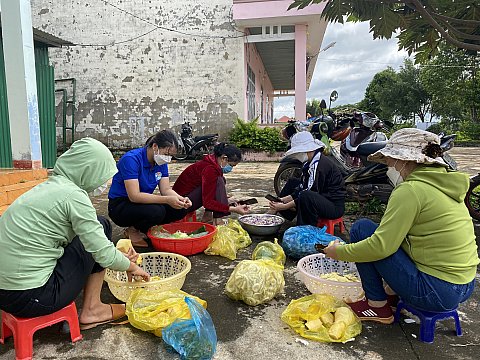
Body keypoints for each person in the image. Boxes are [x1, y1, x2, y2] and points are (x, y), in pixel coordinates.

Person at [324, 128, 479, 324]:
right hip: (464, 286)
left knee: (361, 229)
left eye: (389, 162)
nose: (388, 167)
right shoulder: (444, 185)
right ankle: (390, 295)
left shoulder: (410, 190)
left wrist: (339, 252)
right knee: (378, 233)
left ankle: (377, 306)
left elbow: (381, 247)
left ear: (404, 160)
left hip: (437, 292)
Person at [0, 138, 150, 330]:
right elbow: (100, 251)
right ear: (89, 171)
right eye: (102, 176)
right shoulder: (74, 197)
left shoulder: (50, 187)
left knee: (95, 232)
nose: (104, 184)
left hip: (5, 293)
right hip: (31, 297)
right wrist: (132, 267)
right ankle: (92, 309)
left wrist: (116, 256)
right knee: (101, 227)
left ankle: (91, 305)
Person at [108, 130, 192, 247]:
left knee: (180, 209)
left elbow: (166, 190)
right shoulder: (131, 159)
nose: (168, 158)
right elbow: (134, 196)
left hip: (142, 202)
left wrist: (181, 199)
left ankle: (145, 228)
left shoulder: (161, 164)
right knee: (157, 211)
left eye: (170, 155)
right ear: (155, 146)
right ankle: (132, 230)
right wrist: (167, 200)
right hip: (121, 204)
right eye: (166, 154)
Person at [269, 131, 345, 226]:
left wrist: (285, 206)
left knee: (306, 196)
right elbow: (302, 186)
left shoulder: (320, 165)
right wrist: (283, 199)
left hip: (334, 207)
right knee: (293, 182)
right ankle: (279, 212)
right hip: (321, 198)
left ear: (307, 150)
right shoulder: (309, 163)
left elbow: (309, 193)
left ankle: (305, 228)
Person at [172, 142, 250, 225]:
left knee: (221, 180)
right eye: (231, 165)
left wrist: (226, 200)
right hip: (180, 205)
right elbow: (208, 203)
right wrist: (233, 209)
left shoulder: (212, 163)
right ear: (224, 158)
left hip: (186, 199)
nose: (231, 168)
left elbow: (209, 190)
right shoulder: (210, 169)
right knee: (219, 180)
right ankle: (218, 220)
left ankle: (207, 216)